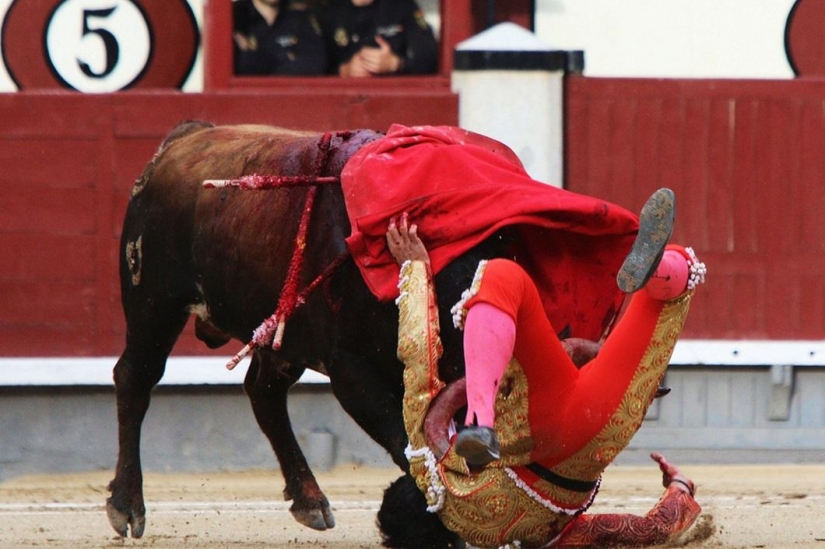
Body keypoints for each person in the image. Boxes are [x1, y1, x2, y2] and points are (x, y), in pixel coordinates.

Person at [382, 189, 706, 548]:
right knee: (501, 278)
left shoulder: (528, 537)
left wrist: (680, 488)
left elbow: (648, 531)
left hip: (599, 429)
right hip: (536, 417)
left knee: (679, 283)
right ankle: (481, 417)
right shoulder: (431, 469)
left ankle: (664, 269)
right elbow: (418, 351)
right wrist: (414, 267)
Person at [318, 0, 438, 77]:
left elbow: (430, 57)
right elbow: (310, 65)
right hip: (340, 102)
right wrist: (344, 71)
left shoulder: (403, 6)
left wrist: (395, 63)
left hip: (392, 100)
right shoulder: (327, 10)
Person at [233, 0, 327, 76]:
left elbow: (313, 64)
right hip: (247, 97)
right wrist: (284, 57)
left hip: (288, 96)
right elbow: (239, 66)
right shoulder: (235, 17)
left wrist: (255, 56)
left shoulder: (299, 16)